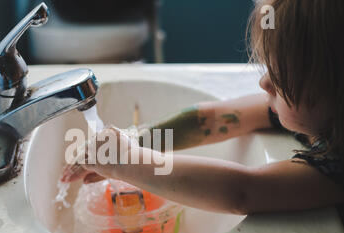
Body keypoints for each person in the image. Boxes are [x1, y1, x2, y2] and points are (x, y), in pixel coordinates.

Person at [61, 0, 344, 215]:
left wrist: (128, 164)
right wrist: (134, 140)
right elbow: (212, 119)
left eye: (282, 78)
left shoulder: (336, 169)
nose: (264, 83)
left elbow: (242, 192)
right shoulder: (314, 111)